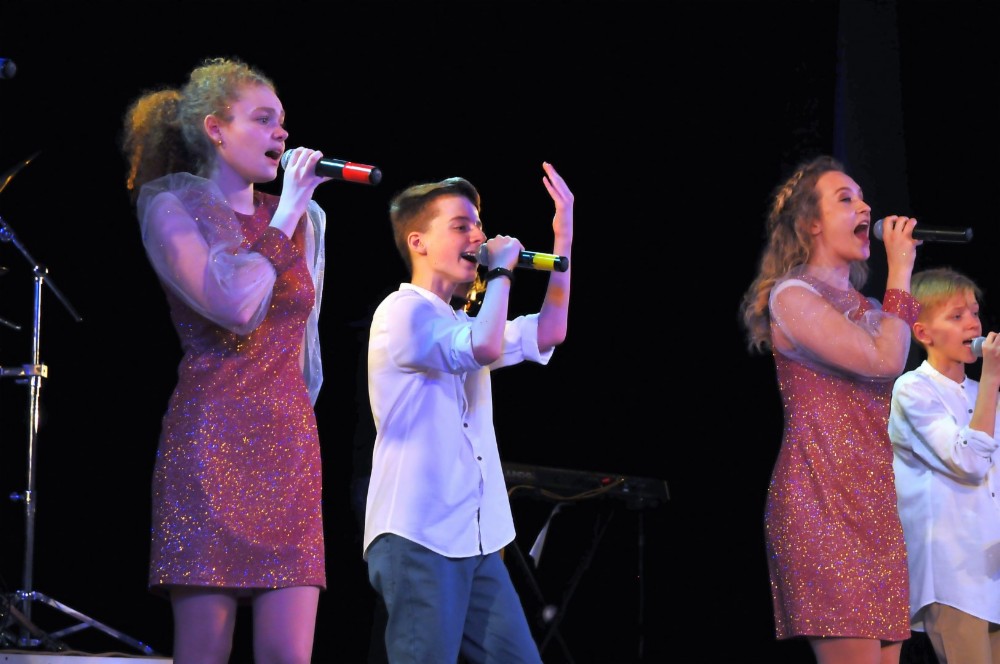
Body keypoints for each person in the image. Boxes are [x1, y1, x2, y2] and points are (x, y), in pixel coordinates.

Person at [120, 56, 331, 664]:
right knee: (205, 653)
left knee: (288, 656)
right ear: (216, 128)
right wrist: (286, 215)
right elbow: (234, 305)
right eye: (263, 119)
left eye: (282, 121)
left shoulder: (309, 219)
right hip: (212, 440)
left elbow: (305, 342)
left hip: (288, 442)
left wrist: (291, 212)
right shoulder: (171, 206)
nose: (281, 133)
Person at [363, 163, 572, 663]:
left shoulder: (460, 320)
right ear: (418, 242)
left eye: (479, 226)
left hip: (476, 540)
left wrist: (563, 235)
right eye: (461, 226)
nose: (478, 237)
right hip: (419, 536)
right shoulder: (401, 312)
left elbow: (549, 331)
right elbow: (483, 346)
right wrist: (500, 271)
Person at [739, 155, 922, 664]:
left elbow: (893, 355)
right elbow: (885, 360)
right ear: (811, 223)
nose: (865, 207)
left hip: (875, 507)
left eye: (863, 197)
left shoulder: (871, 310)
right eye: (846, 199)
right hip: (821, 501)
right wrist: (901, 269)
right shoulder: (793, 296)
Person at [888, 267, 1000, 664]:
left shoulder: (982, 392)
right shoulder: (913, 389)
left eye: (974, 312)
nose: (973, 323)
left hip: (993, 569)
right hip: (954, 576)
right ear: (923, 333)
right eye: (956, 316)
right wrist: (993, 378)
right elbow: (968, 462)